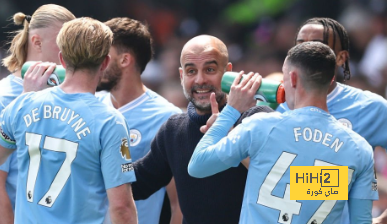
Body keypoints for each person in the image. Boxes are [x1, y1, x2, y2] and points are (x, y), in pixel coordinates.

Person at [188, 41, 378, 224]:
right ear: (331, 80)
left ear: (293, 78)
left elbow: (198, 165)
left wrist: (230, 111)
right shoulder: (359, 148)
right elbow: (359, 220)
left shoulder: (260, 126)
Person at [0, 17, 137, 224]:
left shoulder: (21, 105)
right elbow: (121, 208)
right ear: (105, 62)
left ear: (62, 59)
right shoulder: (110, 122)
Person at [130, 34, 273, 224]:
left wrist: (230, 132)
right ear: (181, 76)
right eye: (191, 71)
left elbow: (284, 180)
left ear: (228, 72)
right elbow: (136, 183)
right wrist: (98, 149)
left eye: (210, 69)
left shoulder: (258, 118)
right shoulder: (173, 130)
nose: (200, 79)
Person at [276, 17, 387, 224]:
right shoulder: (277, 104)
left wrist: (381, 219)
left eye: (318, 45)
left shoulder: (371, 108)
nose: (307, 53)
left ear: (341, 58)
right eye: (300, 45)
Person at [98, 17, 182, 224]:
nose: (95, 62)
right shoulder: (92, 105)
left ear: (125, 60)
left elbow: (178, 204)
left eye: (103, 55)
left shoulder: (167, 118)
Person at [0, 5, 75, 224]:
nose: (70, 52)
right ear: (36, 42)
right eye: (63, 43)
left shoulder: (71, 93)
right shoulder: (5, 98)